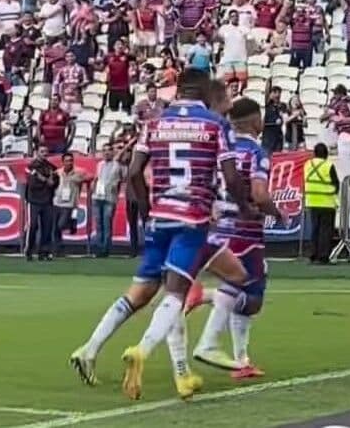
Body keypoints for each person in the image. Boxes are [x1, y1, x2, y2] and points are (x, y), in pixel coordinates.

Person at [72, 69, 246, 400]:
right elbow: (231, 176)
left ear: (177, 89)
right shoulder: (214, 124)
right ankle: (144, 350)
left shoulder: (154, 123)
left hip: (160, 217)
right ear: (205, 92)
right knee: (176, 294)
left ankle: (90, 349)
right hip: (193, 219)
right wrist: (246, 207)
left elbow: (135, 171)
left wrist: (148, 207)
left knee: (140, 293)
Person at [191, 98, 283, 379]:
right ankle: (209, 342)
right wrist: (278, 214)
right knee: (246, 289)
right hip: (245, 231)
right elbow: (259, 194)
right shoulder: (257, 151)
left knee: (251, 292)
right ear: (255, 121)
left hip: (219, 229)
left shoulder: (222, 148)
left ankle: (241, 359)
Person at [303, 143, 339, 264]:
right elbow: (336, 183)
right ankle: (323, 256)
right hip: (327, 202)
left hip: (312, 201)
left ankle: (312, 254)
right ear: (326, 154)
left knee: (314, 230)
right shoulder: (328, 165)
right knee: (325, 231)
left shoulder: (308, 165)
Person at [24, 145, 59, 261]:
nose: (44, 154)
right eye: (42, 151)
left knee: (47, 227)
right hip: (34, 200)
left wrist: (52, 183)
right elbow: (32, 184)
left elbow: (56, 181)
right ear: (36, 152)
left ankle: (44, 252)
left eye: (46, 151)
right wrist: (45, 182)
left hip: (47, 201)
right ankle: (29, 250)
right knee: (33, 225)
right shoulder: (31, 167)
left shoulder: (51, 167)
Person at [91, 145, 126, 257]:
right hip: (97, 196)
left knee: (107, 223)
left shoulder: (118, 166)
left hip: (110, 197)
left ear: (112, 152)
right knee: (98, 223)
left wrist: (116, 188)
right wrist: (93, 187)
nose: (106, 153)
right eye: (104, 150)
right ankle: (98, 247)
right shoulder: (99, 164)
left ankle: (105, 248)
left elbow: (123, 179)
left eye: (109, 150)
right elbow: (97, 178)